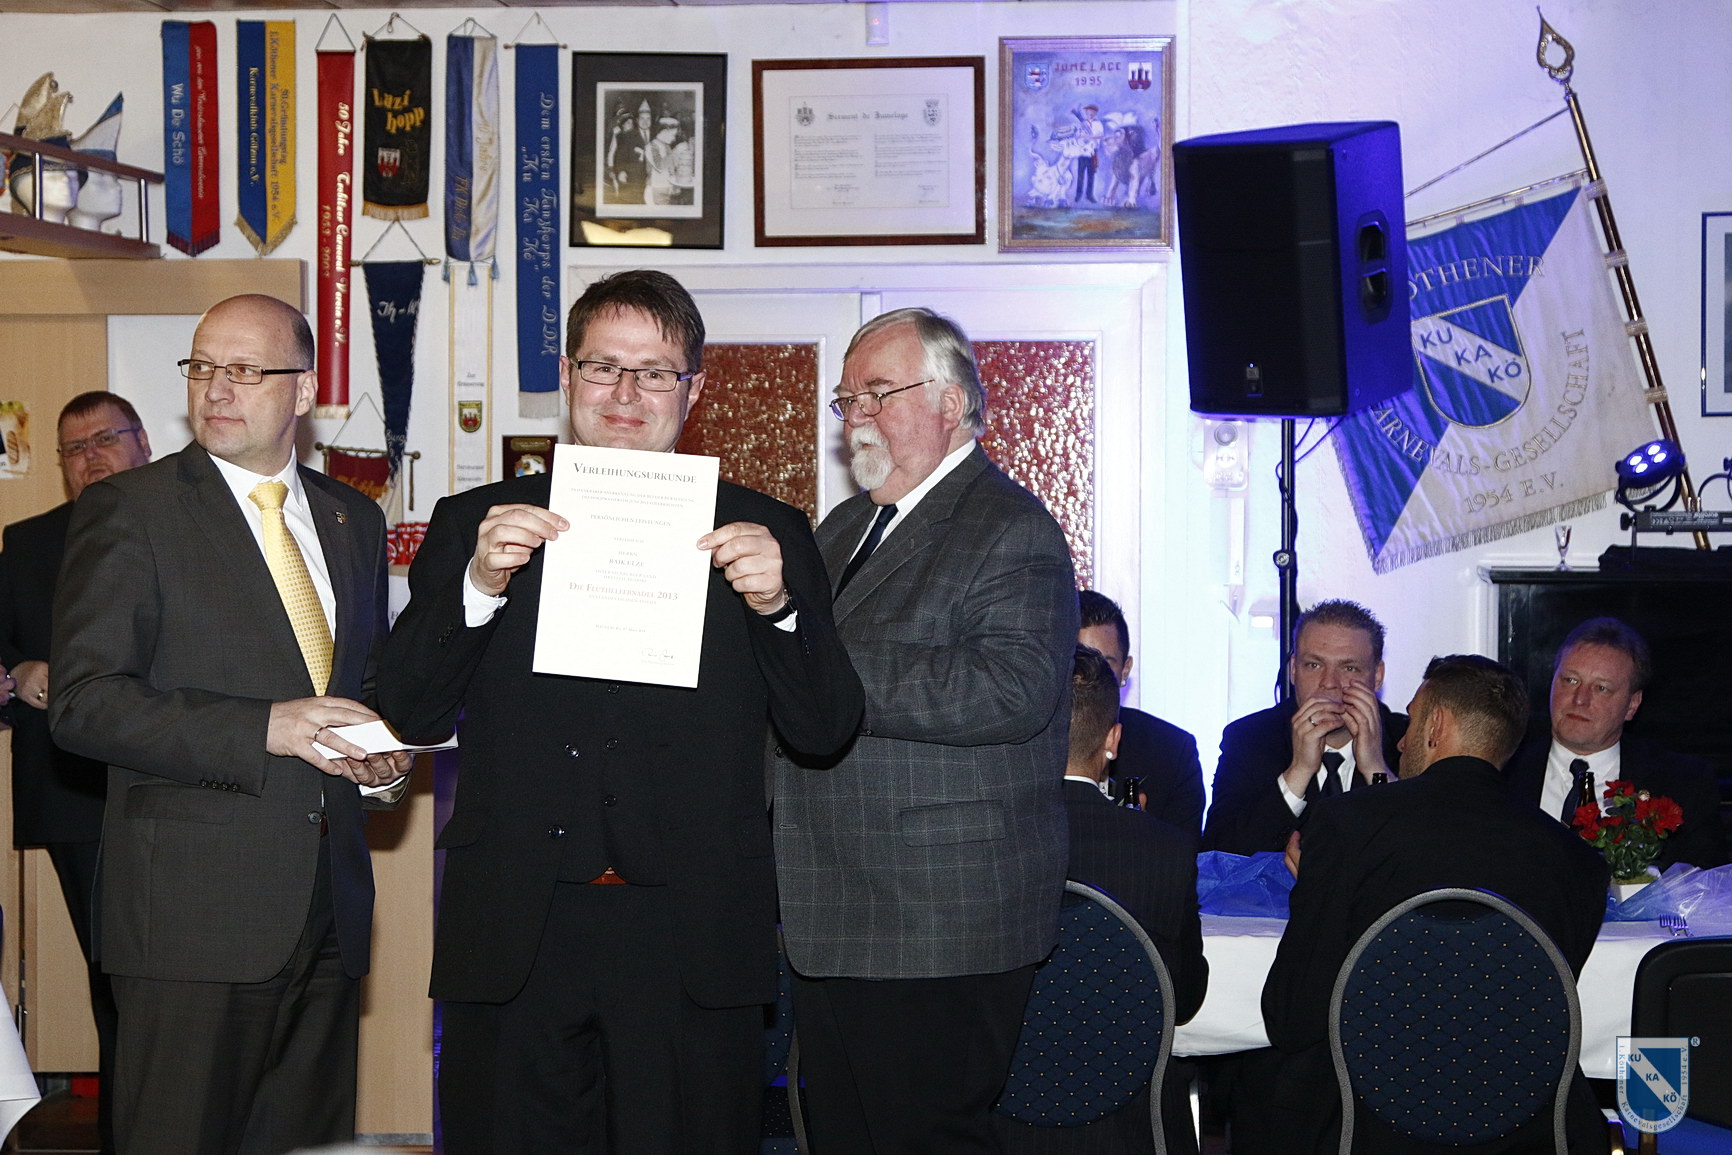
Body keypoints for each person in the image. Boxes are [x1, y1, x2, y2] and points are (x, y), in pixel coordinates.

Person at [377, 269, 862, 1155]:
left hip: (689, 933)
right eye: (604, 367)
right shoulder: (478, 522)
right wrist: (477, 586)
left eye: (655, 372)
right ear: (567, 377)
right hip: (517, 928)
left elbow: (825, 730)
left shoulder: (769, 533)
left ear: (694, 389)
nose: (627, 393)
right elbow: (406, 706)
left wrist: (779, 609)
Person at [49, 294, 406, 1155]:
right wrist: (261, 727)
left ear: (304, 390)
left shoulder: (352, 520)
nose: (216, 388)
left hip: (327, 916)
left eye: (245, 370)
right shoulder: (132, 509)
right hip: (191, 922)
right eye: (203, 366)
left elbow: (361, 688)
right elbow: (83, 701)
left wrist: (382, 766)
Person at [773, 306, 1078, 1153]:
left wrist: (822, 667)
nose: (857, 416)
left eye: (879, 392)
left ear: (952, 401)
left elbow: (1012, 689)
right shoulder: (843, 528)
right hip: (836, 907)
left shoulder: (1010, 527)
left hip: (940, 918)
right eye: (847, 399)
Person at [1262, 654, 1610, 1155]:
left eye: (1410, 721)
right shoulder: (1578, 862)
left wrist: (1317, 884)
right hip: (1519, 1124)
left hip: (1366, 1123)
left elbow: (1291, 1016)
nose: (1401, 741)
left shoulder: (1347, 825)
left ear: (1437, 725)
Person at [1, 390, 152, 1154]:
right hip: (72, 791)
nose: (90, 457)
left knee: (175, 978)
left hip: (180, 782)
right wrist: (18, 671)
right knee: (113, 976)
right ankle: (126, 1136)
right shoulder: (26, 543)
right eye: (75, 448)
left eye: (105, 439)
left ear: (143, 443)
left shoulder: (187, 525)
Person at [994, 644, 1206, 1155]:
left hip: (999, 1116)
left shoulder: (985, 841)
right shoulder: (1166, 849)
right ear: (1113, 740)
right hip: (1133, 1122)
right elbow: (1182, 998)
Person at [1503, 616, 1726, 869]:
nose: (1580, 699)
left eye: (1601, 688)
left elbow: (1707, 884)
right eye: (1570, 680)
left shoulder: (1683, 784)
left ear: (1632, 705)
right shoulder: (1502, 767)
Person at [1202, 599, 1407, 856]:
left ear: (1377, 676)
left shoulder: (1407, 739)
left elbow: (1426, 855)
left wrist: (1376, 770)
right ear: (1293, 670)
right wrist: (1297, 773)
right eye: (1314, 665)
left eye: (1349, 668)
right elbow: (1217, 854)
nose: (1329, 683)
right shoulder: (1250, 738)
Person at [1078, 589, 1203, 834]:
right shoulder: (1028, 746)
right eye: (1078, 663)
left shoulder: (1171, 753)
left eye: (1104, 665)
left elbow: (1187, 850)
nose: (1090, 677)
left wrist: (1142, 840)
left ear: (1125, 670)